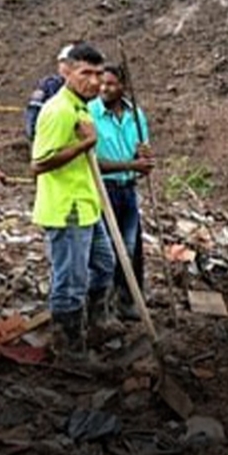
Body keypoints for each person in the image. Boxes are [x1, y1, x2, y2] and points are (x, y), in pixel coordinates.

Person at [29, 42, 115, 362]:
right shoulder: (58, 110)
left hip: (88, 206)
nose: (94, 81)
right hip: (66, 210)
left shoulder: (83, 107)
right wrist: (87, 143)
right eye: (86, 73)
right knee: (71, 281)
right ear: (68, 72)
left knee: (105, 265)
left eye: (98, 74)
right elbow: (39, 164)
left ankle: (96, 322)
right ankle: (68, 345)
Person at [88, 63, 154, 322]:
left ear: (123, 87)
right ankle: (100, 307)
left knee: (131, 247)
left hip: (127, 190)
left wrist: (144, 161)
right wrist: (131, 164)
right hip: (103, 190)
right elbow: (92, 161)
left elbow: (141, 154)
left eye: (111, 84)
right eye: (102, 83)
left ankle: (127, 300)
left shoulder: (135, 115)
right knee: (106, 252)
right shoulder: (90, 113)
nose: (104, 88)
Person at [24, 42, 81, 142]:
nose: (66, 67)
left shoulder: (87, 88)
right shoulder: (50, 86)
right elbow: (33, 115)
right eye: (63, 62)